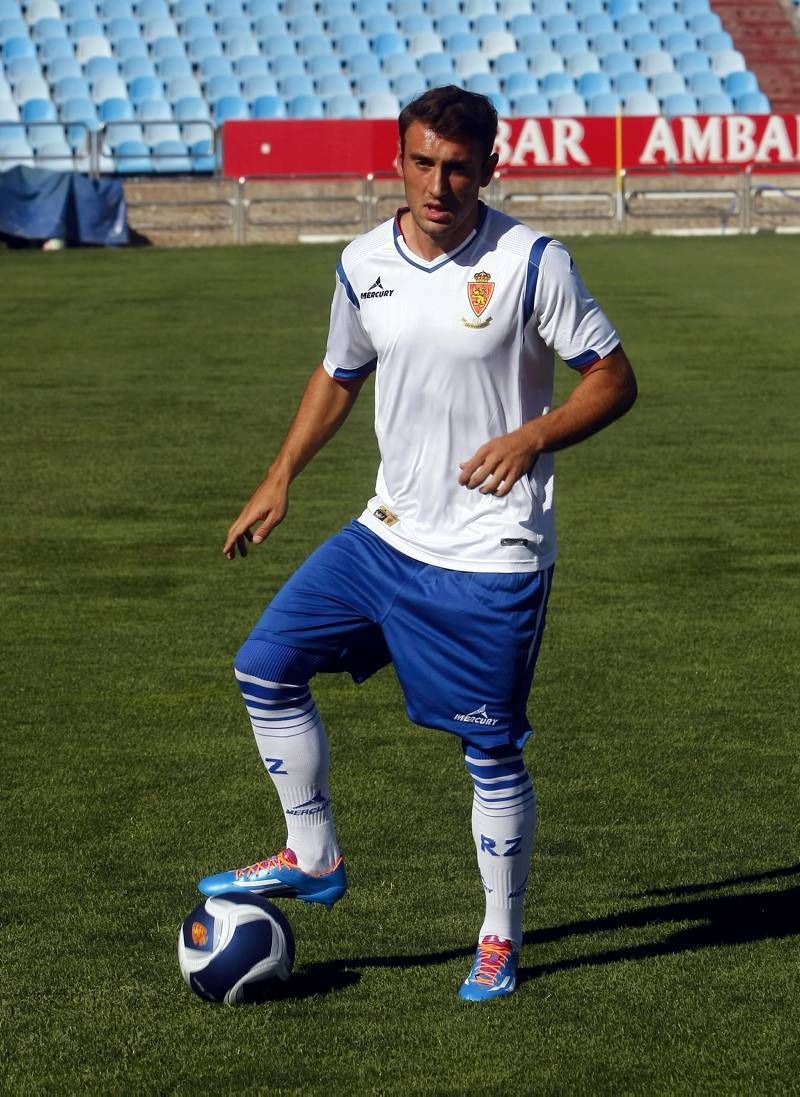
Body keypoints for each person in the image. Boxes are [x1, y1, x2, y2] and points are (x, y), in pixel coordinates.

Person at [198, 86, 637, 1001]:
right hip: (385, 537)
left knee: (490, 752)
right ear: (397, 161)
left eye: (460, 168)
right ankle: (312, 852)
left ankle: (498, 936)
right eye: (423, 162)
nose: (440, 183)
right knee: (264, 665)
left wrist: (533, 436)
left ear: (489, 169)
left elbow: (613, 377)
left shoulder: (529, 263)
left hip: (490, 555)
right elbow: (339, 370)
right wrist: (281, 474)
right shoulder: (363, 262)